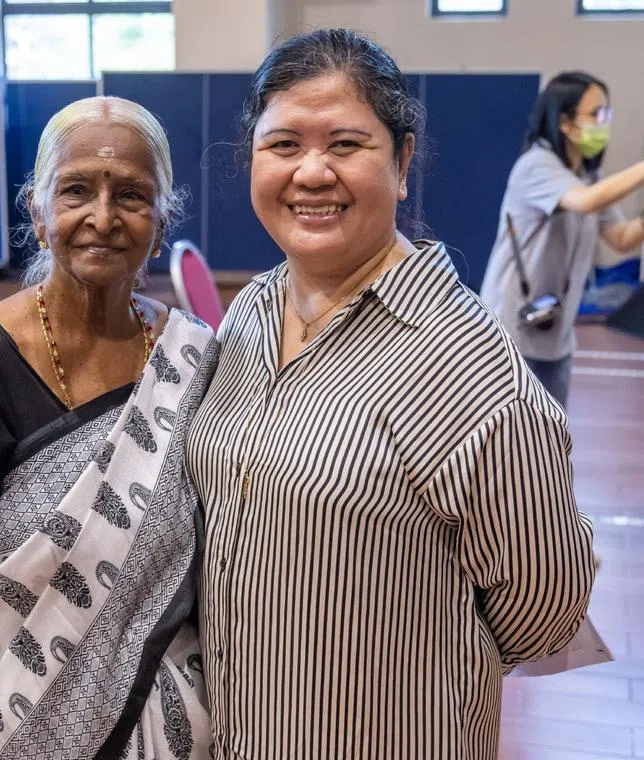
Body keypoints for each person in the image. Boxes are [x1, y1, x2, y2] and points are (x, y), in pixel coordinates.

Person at [187, 29, 595, 760]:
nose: (311, 172)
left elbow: (545, 609)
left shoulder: (465, 366)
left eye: (346, 144)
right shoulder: (250, 310)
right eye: (283, 145)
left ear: (403, 164)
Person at [0, 96, 216, 760]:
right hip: (10, 727)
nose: (102, 217)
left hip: (173, 724)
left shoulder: (190, 357)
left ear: (160, 223)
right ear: (38, 216)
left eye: (131, 194)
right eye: (75, 192)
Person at [480, 71, 644, 408]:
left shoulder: (586, 176)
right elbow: (585, 202)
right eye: (596, 114)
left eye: (607, 113)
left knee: (551, 446)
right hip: (510, 335)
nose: (604, 122)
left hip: (557, 336)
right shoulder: (536, 166)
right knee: (508, 447)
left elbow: (622, 238)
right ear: (565, 123)